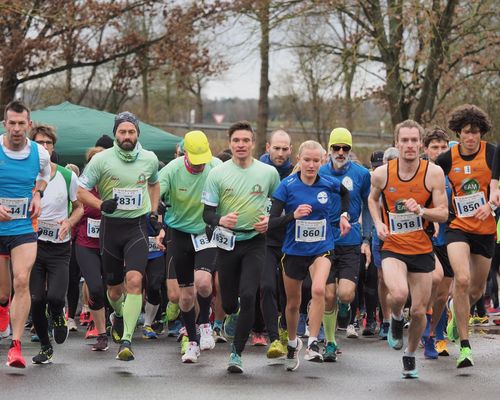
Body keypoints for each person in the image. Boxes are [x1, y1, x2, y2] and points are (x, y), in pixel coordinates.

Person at [77, 111, 160, 361]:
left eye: (131, 132)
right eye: (122, 132)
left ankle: (126, 339)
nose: (127, 136)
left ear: (137, 134)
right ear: (115, 134)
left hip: (137, 227)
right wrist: (101, 205)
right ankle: (120, 315)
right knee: (113, 291)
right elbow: (80, 191)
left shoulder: (149, 158)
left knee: (135, 281)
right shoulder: (102, 160)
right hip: (110, 229)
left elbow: (154, 183)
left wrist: (154, 210)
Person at [368, 120, 448, 378]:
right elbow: (372, 198)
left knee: (418, 309)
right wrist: (378, 222)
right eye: (405, 140)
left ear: (421, 144)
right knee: (400, 293)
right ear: (397, 143)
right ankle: (393, 317)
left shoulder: (433, 173)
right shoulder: (382, 173)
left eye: (415, 140)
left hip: (422, 248)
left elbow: (444, 214)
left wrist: (422, 210)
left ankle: (410, 354)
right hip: (393, 245)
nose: (410, 145)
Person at [202, 121, 280, 373]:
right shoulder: (217, 173)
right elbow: (207, 214)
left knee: (248, 296)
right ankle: (231, 315)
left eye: (246, 140)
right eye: (236, 141)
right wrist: (220, 220)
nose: (241, 145)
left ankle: (236, 352)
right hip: (227, 242)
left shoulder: (268, 173)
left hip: (255, 242)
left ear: (253, 143)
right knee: (229, 304)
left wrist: (270, 221)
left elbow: (278, 208)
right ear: (230, 143)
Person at [269, 140, 350, 370]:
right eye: (307, 160)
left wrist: (344, 215)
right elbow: (273, 222)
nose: (311, 165)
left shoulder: (328, 183)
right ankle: (294, 342)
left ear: (323, 161)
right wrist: (293, 216)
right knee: (293, 303)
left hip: (321, 248)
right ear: (299, 160)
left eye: (316, 160)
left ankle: (313, 343)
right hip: (293, 251)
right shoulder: (287, 186)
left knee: (318, 289)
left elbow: (345, 193)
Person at [436, 104, 496, 368]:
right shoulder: (447, 159)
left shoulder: (493, 153)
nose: (471, 138)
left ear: (481, 133)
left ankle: (455, 309)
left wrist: (492, 206)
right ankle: (465, 345)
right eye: (466, 132)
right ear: (458, 133)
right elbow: (430, 183)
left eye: (476, 132)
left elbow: (496, 189)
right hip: (457, 226)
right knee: (461, 279)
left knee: (476, 290)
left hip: (485, 230)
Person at [157, 130, 221, 363]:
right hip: (180, 234)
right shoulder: (172, 169)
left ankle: (205, 322)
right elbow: (154, 190)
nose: (199, 165)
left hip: (205, 232)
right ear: (185, 154)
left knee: (204, 283)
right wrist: (157, 204)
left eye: (202, 160)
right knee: (184, 297)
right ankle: (192, 343)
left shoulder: (216, 167)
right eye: (195, 161)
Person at [0, 100, 51, 368]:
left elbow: (46, 173)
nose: (17, 129)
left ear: (29, 125)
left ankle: (16, 346)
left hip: (22, 226)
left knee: (22, 280)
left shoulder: (40, 153)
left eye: (22, 123)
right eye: (12, 123)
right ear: (5, 123)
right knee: (2, 291)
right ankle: (2, 310)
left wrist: (38, 193)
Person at [29, 124, 83, 364]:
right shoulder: (26, 174)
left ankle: (59, 315)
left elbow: (79, 207)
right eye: (39, 143)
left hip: (60, 247)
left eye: (48, 143)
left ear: (53, 147)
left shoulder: (67, 175)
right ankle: (45, 346)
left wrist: (69, 222)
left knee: (56, 297)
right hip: (32, 245)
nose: (44, 147)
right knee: (37, 299)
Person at [319, 128, 372, 359]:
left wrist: (367, 239)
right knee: (328, 295)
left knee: (346, 294)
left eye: (345, 148)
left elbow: (370, 208)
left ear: (350, 150)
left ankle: (346, 307)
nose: (340, 152)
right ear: (329, 149)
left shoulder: (361, 174)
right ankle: (330, 343)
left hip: (351, 242)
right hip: (325, 242)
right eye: (336, 148)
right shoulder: (318, 172)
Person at [258, 129, 294, 359]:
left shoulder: (296, 173)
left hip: (291, 240)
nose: (280, 153)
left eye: (284, 149)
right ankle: (273, 338)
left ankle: (284, 327)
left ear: (290, 150)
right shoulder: (257, 171)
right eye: (276, 148)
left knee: (289, 292)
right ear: (267, 147)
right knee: (267, 287)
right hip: (264, 241)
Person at [74, 146, 109, 351]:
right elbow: (74, 209)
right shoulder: (80, 188)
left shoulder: (114, 185)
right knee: (95, 287)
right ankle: (101, 332)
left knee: (114, 287)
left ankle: (118, 317)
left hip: (112, 243)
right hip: (86, 243)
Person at [421, 128, 452, 359]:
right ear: (426, 150)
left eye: (444, 147)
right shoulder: (421, 173)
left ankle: (435, 331)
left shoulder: (454, 173)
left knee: (443, 294)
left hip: (452, 238)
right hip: (427, 238)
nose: (440, 152)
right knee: (434, 279)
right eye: (435, 147)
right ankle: (428, 333)